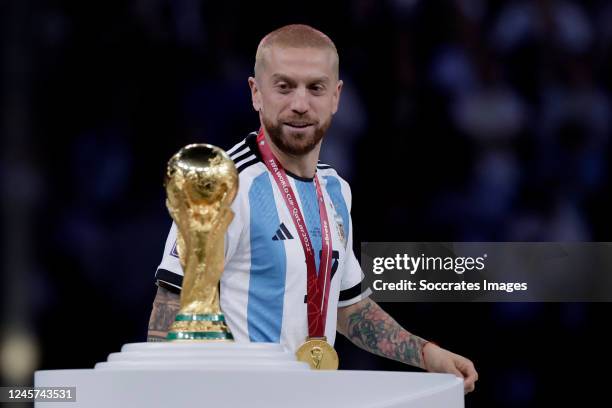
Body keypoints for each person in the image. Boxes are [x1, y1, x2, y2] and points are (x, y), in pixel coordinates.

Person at [148, 24, 478, 393]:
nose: (300, 104)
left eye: (315, 88)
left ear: (336, 97)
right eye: (284, 87)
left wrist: (428, 355)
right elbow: (172, 306)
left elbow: (350, 309)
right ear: (256, 94)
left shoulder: (336, 190)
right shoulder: (222, 187)